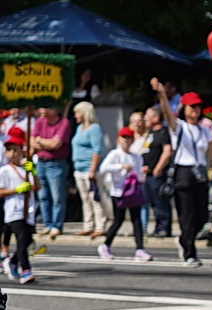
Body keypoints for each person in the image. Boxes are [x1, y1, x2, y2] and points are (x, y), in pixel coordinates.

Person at [151, 80, 212, 266]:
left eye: (198, 106)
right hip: (183, 173)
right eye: (192, 106)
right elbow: (165, 112)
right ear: (184, 108)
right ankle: (190, 252)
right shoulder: (179, 127)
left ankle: (185, 240)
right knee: (186, 215)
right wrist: (162, 93)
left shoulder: (205, 130)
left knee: (202, 216)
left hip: (200, 172)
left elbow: (211, 152)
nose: (196, 109)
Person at [96, 126, 149, 261]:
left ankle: (140, 248)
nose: (126, 140)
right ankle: (105, 245)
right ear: (118, 139)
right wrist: (121, 167)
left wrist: (142, 173)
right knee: (118, 221)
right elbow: (103, 169)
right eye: (123, 137)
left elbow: (138, 175)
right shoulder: (115, 154)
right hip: (119, 191)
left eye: (128, 137)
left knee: (136, 220)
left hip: (133, 191)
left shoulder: (136, 157)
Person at [29, 103, 72, 237]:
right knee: (43, 196)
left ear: (53, 110)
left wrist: (40, 141)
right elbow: (31, 141)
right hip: (41, 163)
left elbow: (56, 144)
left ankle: (56, 225)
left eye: (44, 107)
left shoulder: (64, 123)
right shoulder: (40, 122)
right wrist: (44, 142)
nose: (40, 110)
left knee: (57, 196)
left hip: (56, 163)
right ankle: (47, 224)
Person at [71, 101, 109, 239]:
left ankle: (100, 226)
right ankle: (88, 225)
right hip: (78, 168)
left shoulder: (94, 128)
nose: (75, 116)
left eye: (77, 112)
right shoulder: (79, 128)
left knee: (95, 198)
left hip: (89, 168)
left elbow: (97, 150)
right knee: (85, 199)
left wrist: (92, 169)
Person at [2, 128, 35, 283]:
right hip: (13, 210)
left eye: (15, 150)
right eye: (9, 150)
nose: (12, 153)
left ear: (22, 151)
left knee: (27, 240)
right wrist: (17, 190)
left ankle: (13, 262)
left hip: (28, 210)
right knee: (21, 239)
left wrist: (33, 172)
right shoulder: (4, 171)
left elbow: (37, 187)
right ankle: (26, 270)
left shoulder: (25, 169)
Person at [143, 106, 173, 238]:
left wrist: (158, 168)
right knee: (153, 203)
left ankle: (164, 228)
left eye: (148, 116)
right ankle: (157, 227)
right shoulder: (150, 134)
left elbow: (167, 151)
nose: (145, 119)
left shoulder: (163, 132)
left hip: (158, 174)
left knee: (161, 202)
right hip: (147, 174)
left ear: (156, 118)